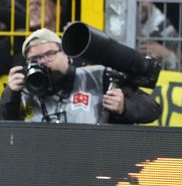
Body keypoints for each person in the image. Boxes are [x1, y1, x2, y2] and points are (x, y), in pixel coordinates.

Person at [0, 28, 162, 124]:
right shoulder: (23, 92)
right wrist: (10, 95)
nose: (43, 62)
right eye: (34, 59)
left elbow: (152, 108)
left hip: (92, 164)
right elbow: (7, 131)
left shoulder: (97, 77)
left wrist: (124, 108)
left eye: (49, 54)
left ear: (65, 55)